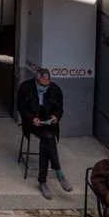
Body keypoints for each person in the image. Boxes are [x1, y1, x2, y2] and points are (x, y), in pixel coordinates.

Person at [16, 68, 72, 198]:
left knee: (47, 139)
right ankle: (58, 173)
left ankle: (43, 182)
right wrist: (31, 119)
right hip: (32, 123)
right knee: (48, 139)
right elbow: (21, 108)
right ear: (36, 80)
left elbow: (59, 109)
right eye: (42, 85)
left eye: (47, 85)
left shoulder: (55, 90)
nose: (44, 87)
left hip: (48, 124)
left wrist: (55, 117)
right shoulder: (26, 87)